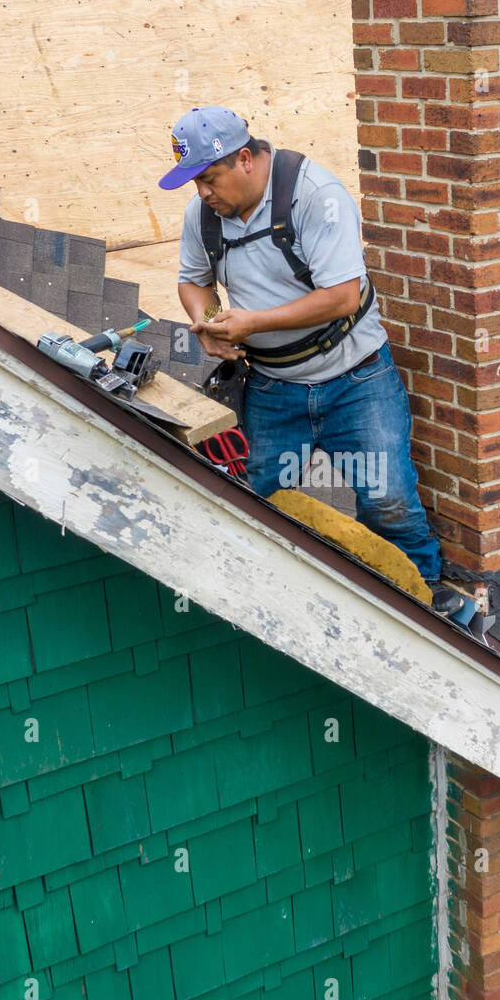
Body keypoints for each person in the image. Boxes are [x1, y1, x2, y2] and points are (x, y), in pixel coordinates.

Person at [158, 104, 464, 616]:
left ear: (245, 160)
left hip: (356, 377)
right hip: (273, 386)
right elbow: (193, 280)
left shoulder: (316, 197)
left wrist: (251, 323)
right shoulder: (204, 215)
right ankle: (269, 602)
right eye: (195, 185)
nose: (203, 194)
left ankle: (423, 604)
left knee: (388, 499)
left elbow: (342, 296)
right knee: (259, 498)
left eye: (209, 179)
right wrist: (208, 322)